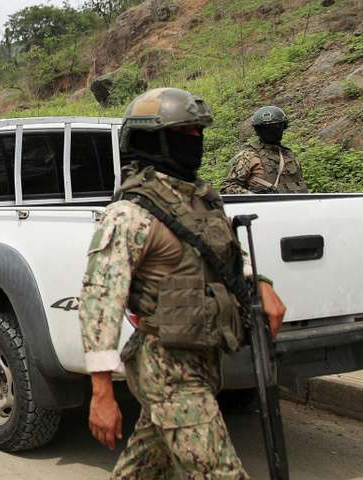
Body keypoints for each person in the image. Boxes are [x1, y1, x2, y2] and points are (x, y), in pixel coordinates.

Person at [80, 88, 287, 478]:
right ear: (152, 140)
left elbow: (226, 259)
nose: (197, 142)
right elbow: (99, 303)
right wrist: (101, 392)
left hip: (204, 356)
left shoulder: (202, 201)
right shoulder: (129, 213)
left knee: (146, 466)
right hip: (165, 365)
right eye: (185, 133)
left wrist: (259, 282)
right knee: (219, 472)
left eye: (198, 132)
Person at [222, 106, 308, 194]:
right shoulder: (248, 156)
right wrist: (255, 197)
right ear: (258, 130)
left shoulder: (288, 155)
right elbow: (228, 187)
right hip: (261, 207)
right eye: (266, 128)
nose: (271, 131)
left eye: (276, 127)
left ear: (283, 127)